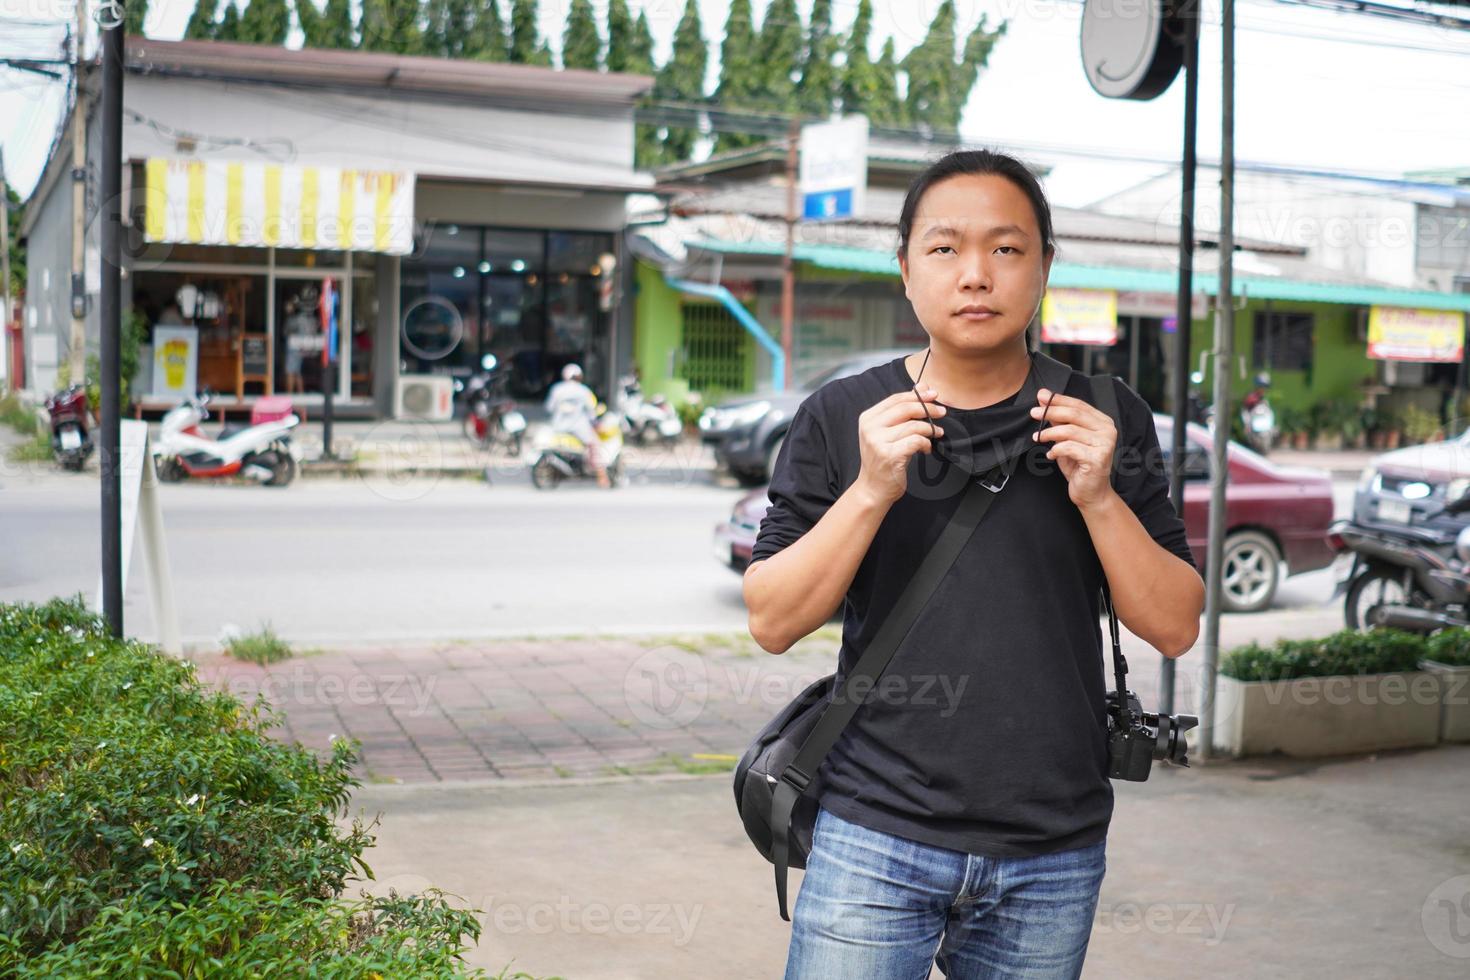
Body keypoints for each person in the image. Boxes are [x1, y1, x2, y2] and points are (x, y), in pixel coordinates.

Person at [743, 149, 1205, 979]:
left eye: (1006, 248)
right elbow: (772, 620)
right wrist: (871, 490)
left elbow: (1173, 623)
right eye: (946, 248)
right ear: (907, 271)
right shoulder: (844, 416)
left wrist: (1099, 495)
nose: (976, 275)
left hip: (1051, 850)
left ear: (1044, 267)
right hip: (872, 832)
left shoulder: (1104, 417)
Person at [543, 363, 611, 488]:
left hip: (558, 427)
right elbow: (591, 412)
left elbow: (549, 408)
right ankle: (602, 477)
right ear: (579, 377)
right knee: (594, 445)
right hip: (579, 428)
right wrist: (596, 423)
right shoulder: (583, 390)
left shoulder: (557, 389)